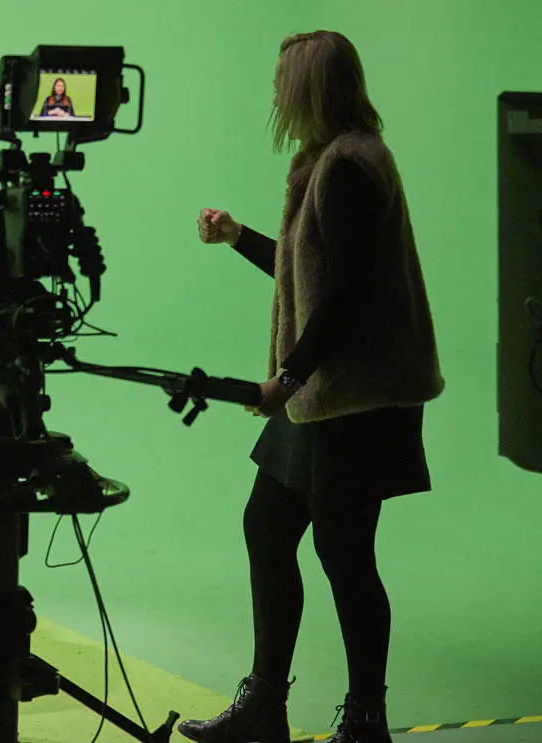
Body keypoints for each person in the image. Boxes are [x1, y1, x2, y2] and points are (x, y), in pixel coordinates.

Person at [178, 31, 443, 743]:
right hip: (325, 390)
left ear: (309, 87)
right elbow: (314, 278)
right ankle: (266, 705)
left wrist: (285, 377)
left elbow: (348, 295)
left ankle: (365, 719)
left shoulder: (351, 167)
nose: (273, 96)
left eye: (280, 83)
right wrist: (239, 237)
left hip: (357, 397)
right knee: (269, 526)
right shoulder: (329, 161)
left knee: (344, 550)